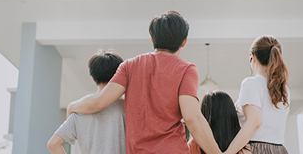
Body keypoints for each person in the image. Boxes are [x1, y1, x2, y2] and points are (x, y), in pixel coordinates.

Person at [66, 11, 222, 154]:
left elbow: (100, 102)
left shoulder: (130, 65)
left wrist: (72, 106)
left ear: (152, 38)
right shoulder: (186, 69)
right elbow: (192, 118)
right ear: (184, 42)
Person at [47, 51, 126, 154]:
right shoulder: (125, 106)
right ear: (118, 75)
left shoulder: (78, 112)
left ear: (93, 78)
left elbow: (53, 144)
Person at [224, 35, 290, 154]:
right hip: (280, 149)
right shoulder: (284, 89)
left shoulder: (251, 83)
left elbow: (254, 122)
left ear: (253, 57)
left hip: (256, 149)